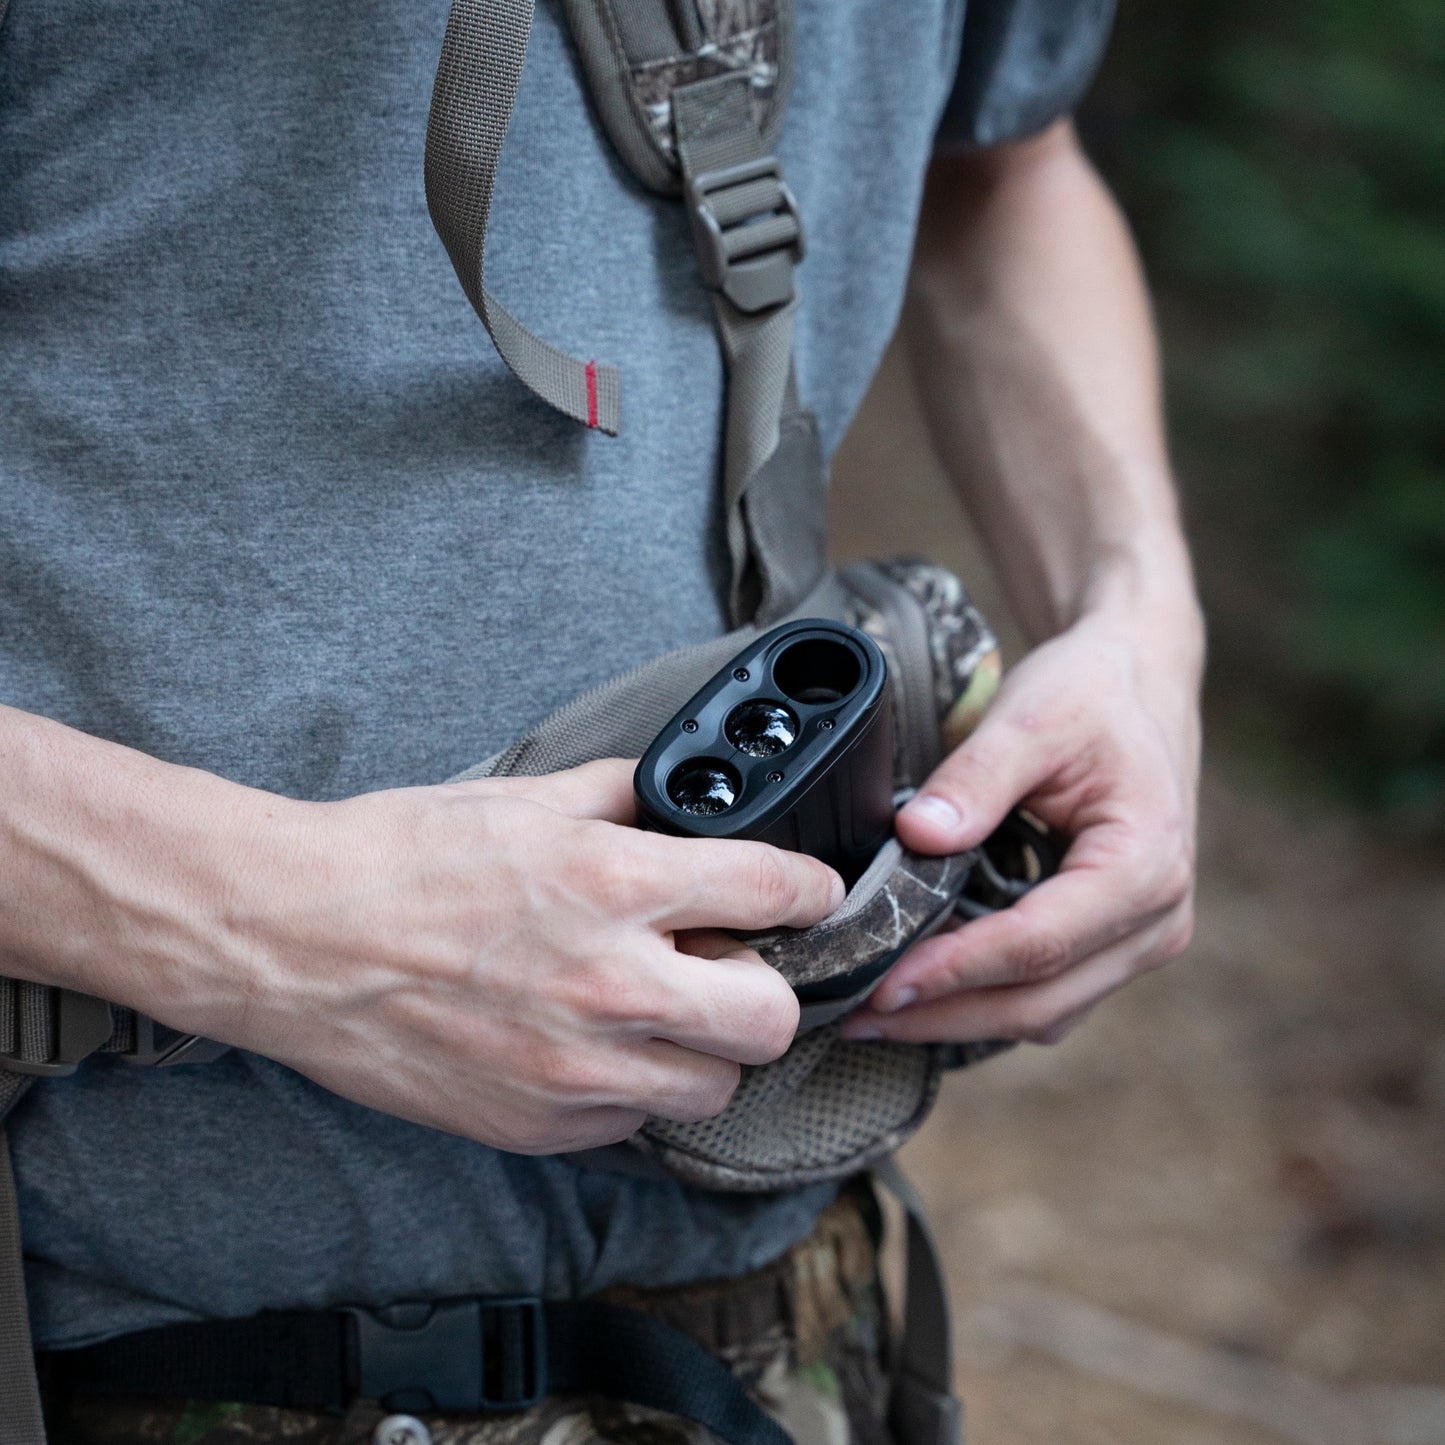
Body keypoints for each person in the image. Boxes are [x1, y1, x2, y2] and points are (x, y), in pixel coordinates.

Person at [0, 0, 1203, 1439]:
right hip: (118, 1350)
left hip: (774, 1334)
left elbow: (1004, 165)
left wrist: (1136, 618)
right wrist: (274, 928)